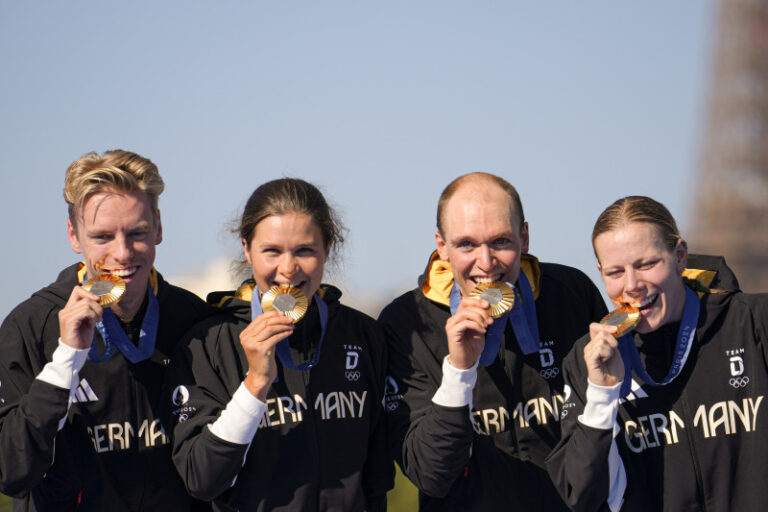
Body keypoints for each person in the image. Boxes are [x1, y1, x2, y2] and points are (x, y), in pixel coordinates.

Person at [380, 172, 607, 510]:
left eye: (500, 241)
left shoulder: (572, 293)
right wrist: (459, 371)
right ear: (441, 245)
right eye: (466, 244)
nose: (485, 264)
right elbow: (431, 474)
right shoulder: (406, 322)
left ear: (525, 237)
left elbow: (613, 435)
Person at [0, 150, 212, 511]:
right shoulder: (31, 326)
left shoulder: (195, 320)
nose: (123, 253)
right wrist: (65, 360)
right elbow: (11, 470)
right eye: (102, 237)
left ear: (159, 226)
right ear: (73, 235)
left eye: (137, 232)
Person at [164, 178, 392, 511]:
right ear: (247, 249)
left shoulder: (363, 335)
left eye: (304, 250)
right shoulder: (207, 343)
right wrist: (254, 384)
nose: (288, 268)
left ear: (327, 248)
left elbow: (377, 482)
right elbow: (202, 479)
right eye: (272, 251)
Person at [546, 195, 768, 511]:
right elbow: (581, 496)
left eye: (647, 264)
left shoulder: (753, 323)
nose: (632, 285)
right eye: (615, 272)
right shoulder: (587, 360)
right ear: (600, 271)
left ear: (679, 256)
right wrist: (601, 395)